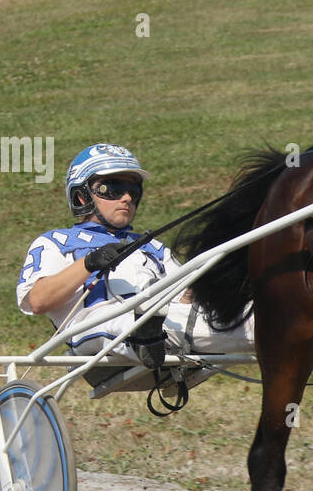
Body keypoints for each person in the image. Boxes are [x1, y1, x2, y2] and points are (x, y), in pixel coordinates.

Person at [16, 143, 254, 367]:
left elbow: (186, 298)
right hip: (99, 326)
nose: (127, 198)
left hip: (166, 318)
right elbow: (38, 301)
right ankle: (146, 334)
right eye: (113, 188)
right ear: (82, 196)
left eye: (133, 189)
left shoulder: (154, 248)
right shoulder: (57, 241)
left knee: (256, 315)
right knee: (127, 320)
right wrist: (89, 263)